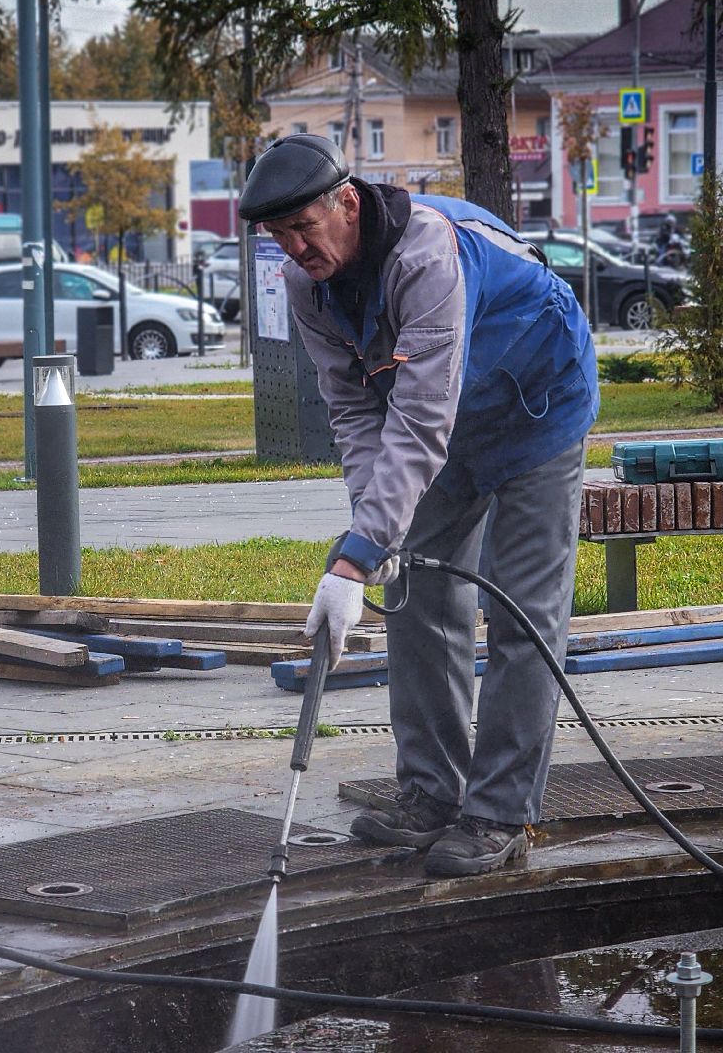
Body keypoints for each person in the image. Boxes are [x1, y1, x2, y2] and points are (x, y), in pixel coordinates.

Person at [239, 134, 598, 877]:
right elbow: (354, 413)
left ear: (346, 202)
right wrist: (373, 537)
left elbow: (422, 417)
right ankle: (433, 793)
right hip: (442, 425)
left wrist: (354, 555)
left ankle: (498, 814)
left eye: (303, 228)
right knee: (418, 599)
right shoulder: (309, 286)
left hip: (537, 410)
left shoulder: (426, 255)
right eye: (279, 237)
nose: (295, 248)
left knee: (524, 616)